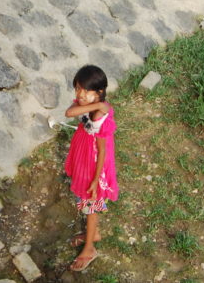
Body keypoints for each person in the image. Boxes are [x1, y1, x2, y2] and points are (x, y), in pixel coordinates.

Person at [63, 65, 118, 272]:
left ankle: (90, 248)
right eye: (78, 88)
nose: (80, 95)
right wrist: (94, 104)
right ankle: (92, 234)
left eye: (86, 91)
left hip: (94, 163)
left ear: (100, 92)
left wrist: (96, 179)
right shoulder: (91, 105)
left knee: (91, 203)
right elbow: (70, 111)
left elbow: (102, 152)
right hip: (83, 152)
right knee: (86, 201)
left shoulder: (99, 117)